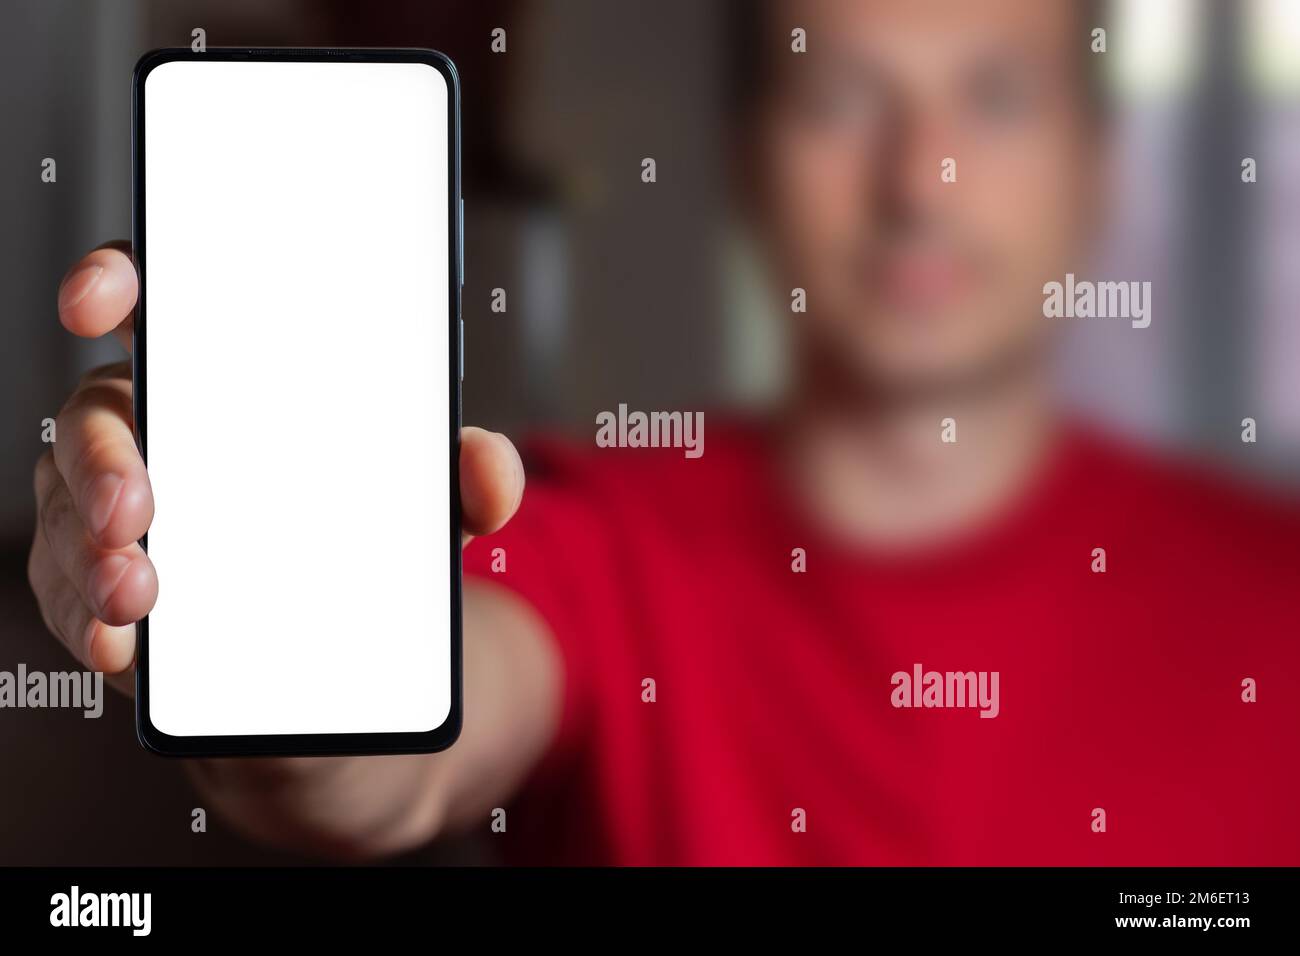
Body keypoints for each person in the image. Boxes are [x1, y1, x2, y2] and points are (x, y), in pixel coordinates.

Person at [29, 0, 1300, 865]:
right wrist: (263, 663)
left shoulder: (1274, 583)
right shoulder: (595, 520)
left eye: (997, 99)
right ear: (748, 160)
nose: (921, 179)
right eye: (845, 100)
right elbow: (383, 767)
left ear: (1095, 166)